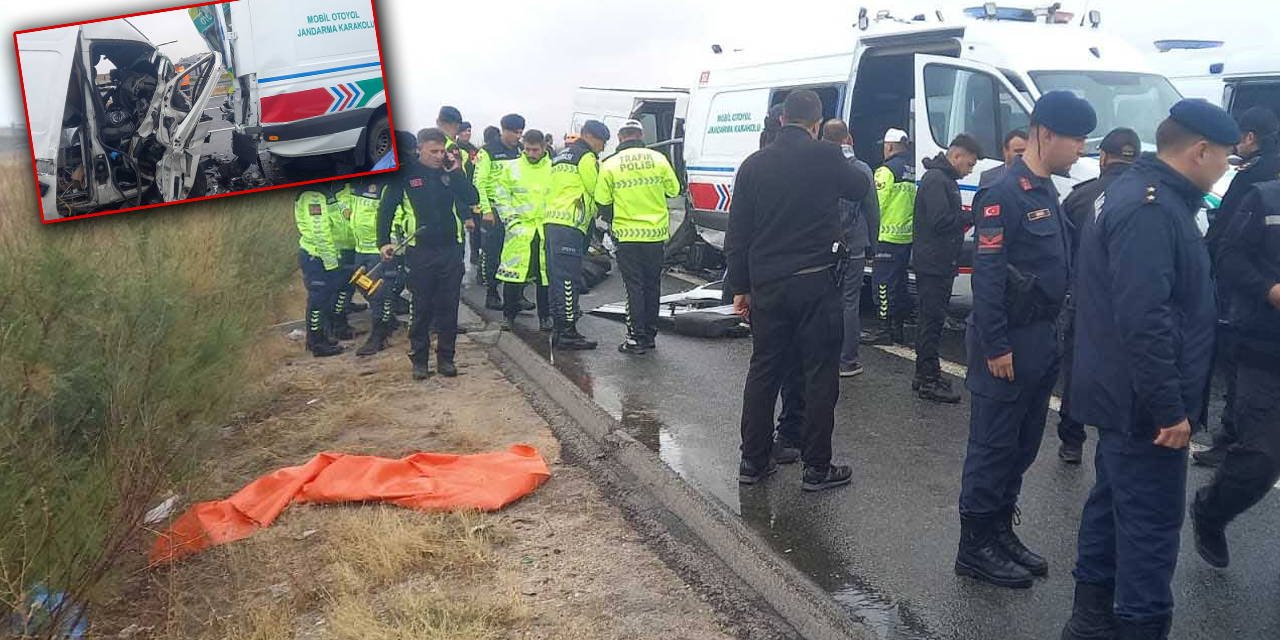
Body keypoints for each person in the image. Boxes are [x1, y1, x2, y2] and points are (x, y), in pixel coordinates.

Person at [1061, 99, 1237, 640]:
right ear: (1200, 150)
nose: (1226, 168)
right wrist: (1171, 408)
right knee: (1152, 527)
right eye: (1225, 158)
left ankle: (1090, 622)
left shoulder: (1135, 191)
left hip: (1122, 390)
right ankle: (1136, 626)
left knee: (1112, 501)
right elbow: (1146, 318)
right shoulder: (1153, 208)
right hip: (1144, 401)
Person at [955, 91, 1095, 590]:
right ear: (1046, 134)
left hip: (1041, 340)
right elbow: (988, 278)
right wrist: (995, 347)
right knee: (992, 448)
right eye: (1076, 139)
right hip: (1009, 341)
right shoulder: (1004, 193)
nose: (1081, 149)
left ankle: (999, 531)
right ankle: (974, 547)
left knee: (1022, 447)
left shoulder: (1046, 191)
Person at [724, 90, 870, 491]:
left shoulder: (752, 166)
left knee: (764, 370)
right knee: (820, 374)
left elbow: (738, 233)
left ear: (782, 119)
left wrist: (740, 287)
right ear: (817, 123)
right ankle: (816, 468)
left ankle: (753, 462)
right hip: (816, 282)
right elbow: (859, 187)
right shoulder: (826, 155)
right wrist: (838, 150)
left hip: (767, 286)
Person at [1189, 179, 1280, 570]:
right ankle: (1211, 511)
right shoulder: (1265, 198)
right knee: (1260, 457)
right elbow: (1228, 257)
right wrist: (1269, 290)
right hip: (1265, 350)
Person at [1195, 105, 1280, 468]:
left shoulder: (1253, 178)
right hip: (1260, 294)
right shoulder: (1264, 183)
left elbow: (1225, 238)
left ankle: (1233, 440)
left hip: (1250, 302)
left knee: (1237, 365)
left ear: (1250, 138)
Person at [1055, 127, 1140, 463]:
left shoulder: (1080, 197)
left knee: (1077, 368)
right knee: (1126, 370)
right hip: (1130, 303)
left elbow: (1060, 249)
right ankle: (1115, 438)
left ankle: (1072, 441)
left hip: (1084, 299)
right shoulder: (1153, 198)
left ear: (1103, 157)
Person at [377, 128, 479, 380]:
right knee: (421, 307)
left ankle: (446, 358)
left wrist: (455, 172)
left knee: (448, 306)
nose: (438, 155)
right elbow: (386, 209)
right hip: (419, 250)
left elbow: (472, 197)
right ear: (420, 149)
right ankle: (419, 360)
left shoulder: (449, 172)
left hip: (450, 249)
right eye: (433, 151)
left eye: (442, 150)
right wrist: (383, 242)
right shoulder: (405, 174)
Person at [594, 118, 681, 354]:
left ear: (621, 138)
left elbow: (602, 201)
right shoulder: (658, 159)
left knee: (634, 287)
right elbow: (674, 190)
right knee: (652, 285)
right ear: (641, 136)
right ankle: (650, 335)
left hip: (627, 235)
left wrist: (613, 218)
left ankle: (635, 338)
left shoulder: (610, 164)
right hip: (655, 235)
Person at [911, 134, 980, 403]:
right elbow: (940, 221)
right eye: (970, 164)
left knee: (933, 320)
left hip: (940, 261)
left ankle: (927, 371)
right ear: (957, 156)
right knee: (931, 321)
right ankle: (927, 379)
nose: (970, 170)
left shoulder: (944, 180)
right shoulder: (937, 181)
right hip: (933, 263)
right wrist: (970, 216)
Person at [545, 120, 611, 350]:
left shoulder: (561, 156)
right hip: (571, 223)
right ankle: (568, 332)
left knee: (556, 278)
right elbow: (597, 190)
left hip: (552, 221)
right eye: (602, 143)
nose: (602, 148)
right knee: (569, 279)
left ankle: (558, 328)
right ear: (592, 137)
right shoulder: (585, 157)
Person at [822, 119, 880, 379]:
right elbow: (872, 210)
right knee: (849, 302)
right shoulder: (862, 169)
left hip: (824, 245)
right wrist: (873, 244)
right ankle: (848, 361)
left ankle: (824, 356)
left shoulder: (817, 168)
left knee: (825, 300)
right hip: (854, 244)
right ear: (850, 139)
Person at [495, 129, 554, 331]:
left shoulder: (554, 168)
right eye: (527, 149)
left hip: (544, 230)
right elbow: (501, 196)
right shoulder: (511, 168)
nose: (530, 153)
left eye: (535, 150)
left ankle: (545, 317)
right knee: (514, 275)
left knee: (544, 277)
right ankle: (508, 315)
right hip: (520, 231)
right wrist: (511, 223)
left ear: (544, 148)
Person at [862, 127, 916, 345]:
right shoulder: (912, 170)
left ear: (890, 146)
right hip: (905, 236)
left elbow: (876, 204)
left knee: (882, 285)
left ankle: (884, 328)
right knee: (900, 283)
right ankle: (898, 329)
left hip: (885, 236)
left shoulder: (885, 171)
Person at [342, 177, 400, 356]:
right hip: (360, 247)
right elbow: (343, 198)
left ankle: (379, 336)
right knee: (362, 286)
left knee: (379, 294)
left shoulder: (386, 184)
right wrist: (345, 209)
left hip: (379, 248)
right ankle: (387, 320)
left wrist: (391, 242)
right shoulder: (355, 183)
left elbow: (394, 213)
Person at [475, 114, 526, 311]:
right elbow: (479, 182)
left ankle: (517, 294)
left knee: (517, 253)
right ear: (504, 130)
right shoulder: (488, 152)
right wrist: (486, 210)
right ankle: (492, 293)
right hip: (494, 210)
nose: (518, 136)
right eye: (515, 132)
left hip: (517, 210)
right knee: (493, 253)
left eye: (521, 132)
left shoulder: (521, 151)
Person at [295, 186, 347, 357]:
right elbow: (320, 233)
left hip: (324, 256)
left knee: (324, 299)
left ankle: (322, 336)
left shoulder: (326, 192)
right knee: (317, 301)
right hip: (316, 257)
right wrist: (332, 264)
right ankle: (316, 343)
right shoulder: (313, 195)